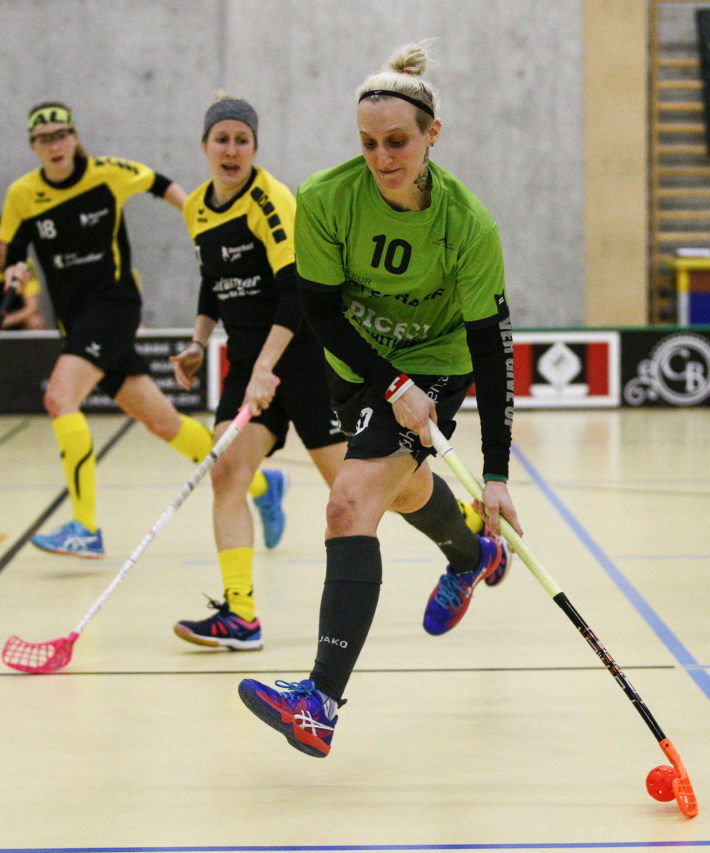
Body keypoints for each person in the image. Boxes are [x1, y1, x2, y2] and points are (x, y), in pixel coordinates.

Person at [237, 42, 520, 757]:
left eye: (397, 142)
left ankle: (320, 702)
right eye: (369, 144)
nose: (383, 158)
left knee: (349, 501)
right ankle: (469, 552)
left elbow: (492, 348)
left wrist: (496, 473)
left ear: (432, 135)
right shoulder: (330, 198)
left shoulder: (468, 225)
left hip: (438, 362)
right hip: (356, 362)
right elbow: (323, 311)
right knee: (397, 492)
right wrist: (388, 385)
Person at [168, 94, 345, 650]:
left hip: (303, 356)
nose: (231, 149)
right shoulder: (197, 206)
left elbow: (295, 291)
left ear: (254, 148)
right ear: (204, 147)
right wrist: (199, 341)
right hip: (249, 361)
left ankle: (467, 533)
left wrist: (269, 367)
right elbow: (212, 280)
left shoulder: (271, 200)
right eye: (221, 139)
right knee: (226, 474)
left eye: (242, 140)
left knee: (358, 492)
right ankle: (240, 615)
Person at [0, 100, 213, 559]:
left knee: (59, 398)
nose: (54, 145)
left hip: (114, 306)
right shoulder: (22, 195)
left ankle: (85, 526)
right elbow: (16, 249)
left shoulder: (106, 174)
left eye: (61, 136)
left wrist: (199, 221)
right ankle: (259, 484)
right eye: (44, 139)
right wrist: (15, 272)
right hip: (76, 322)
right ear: (34, 147)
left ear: (74, 138)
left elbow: (161, 184)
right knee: (164, 422)